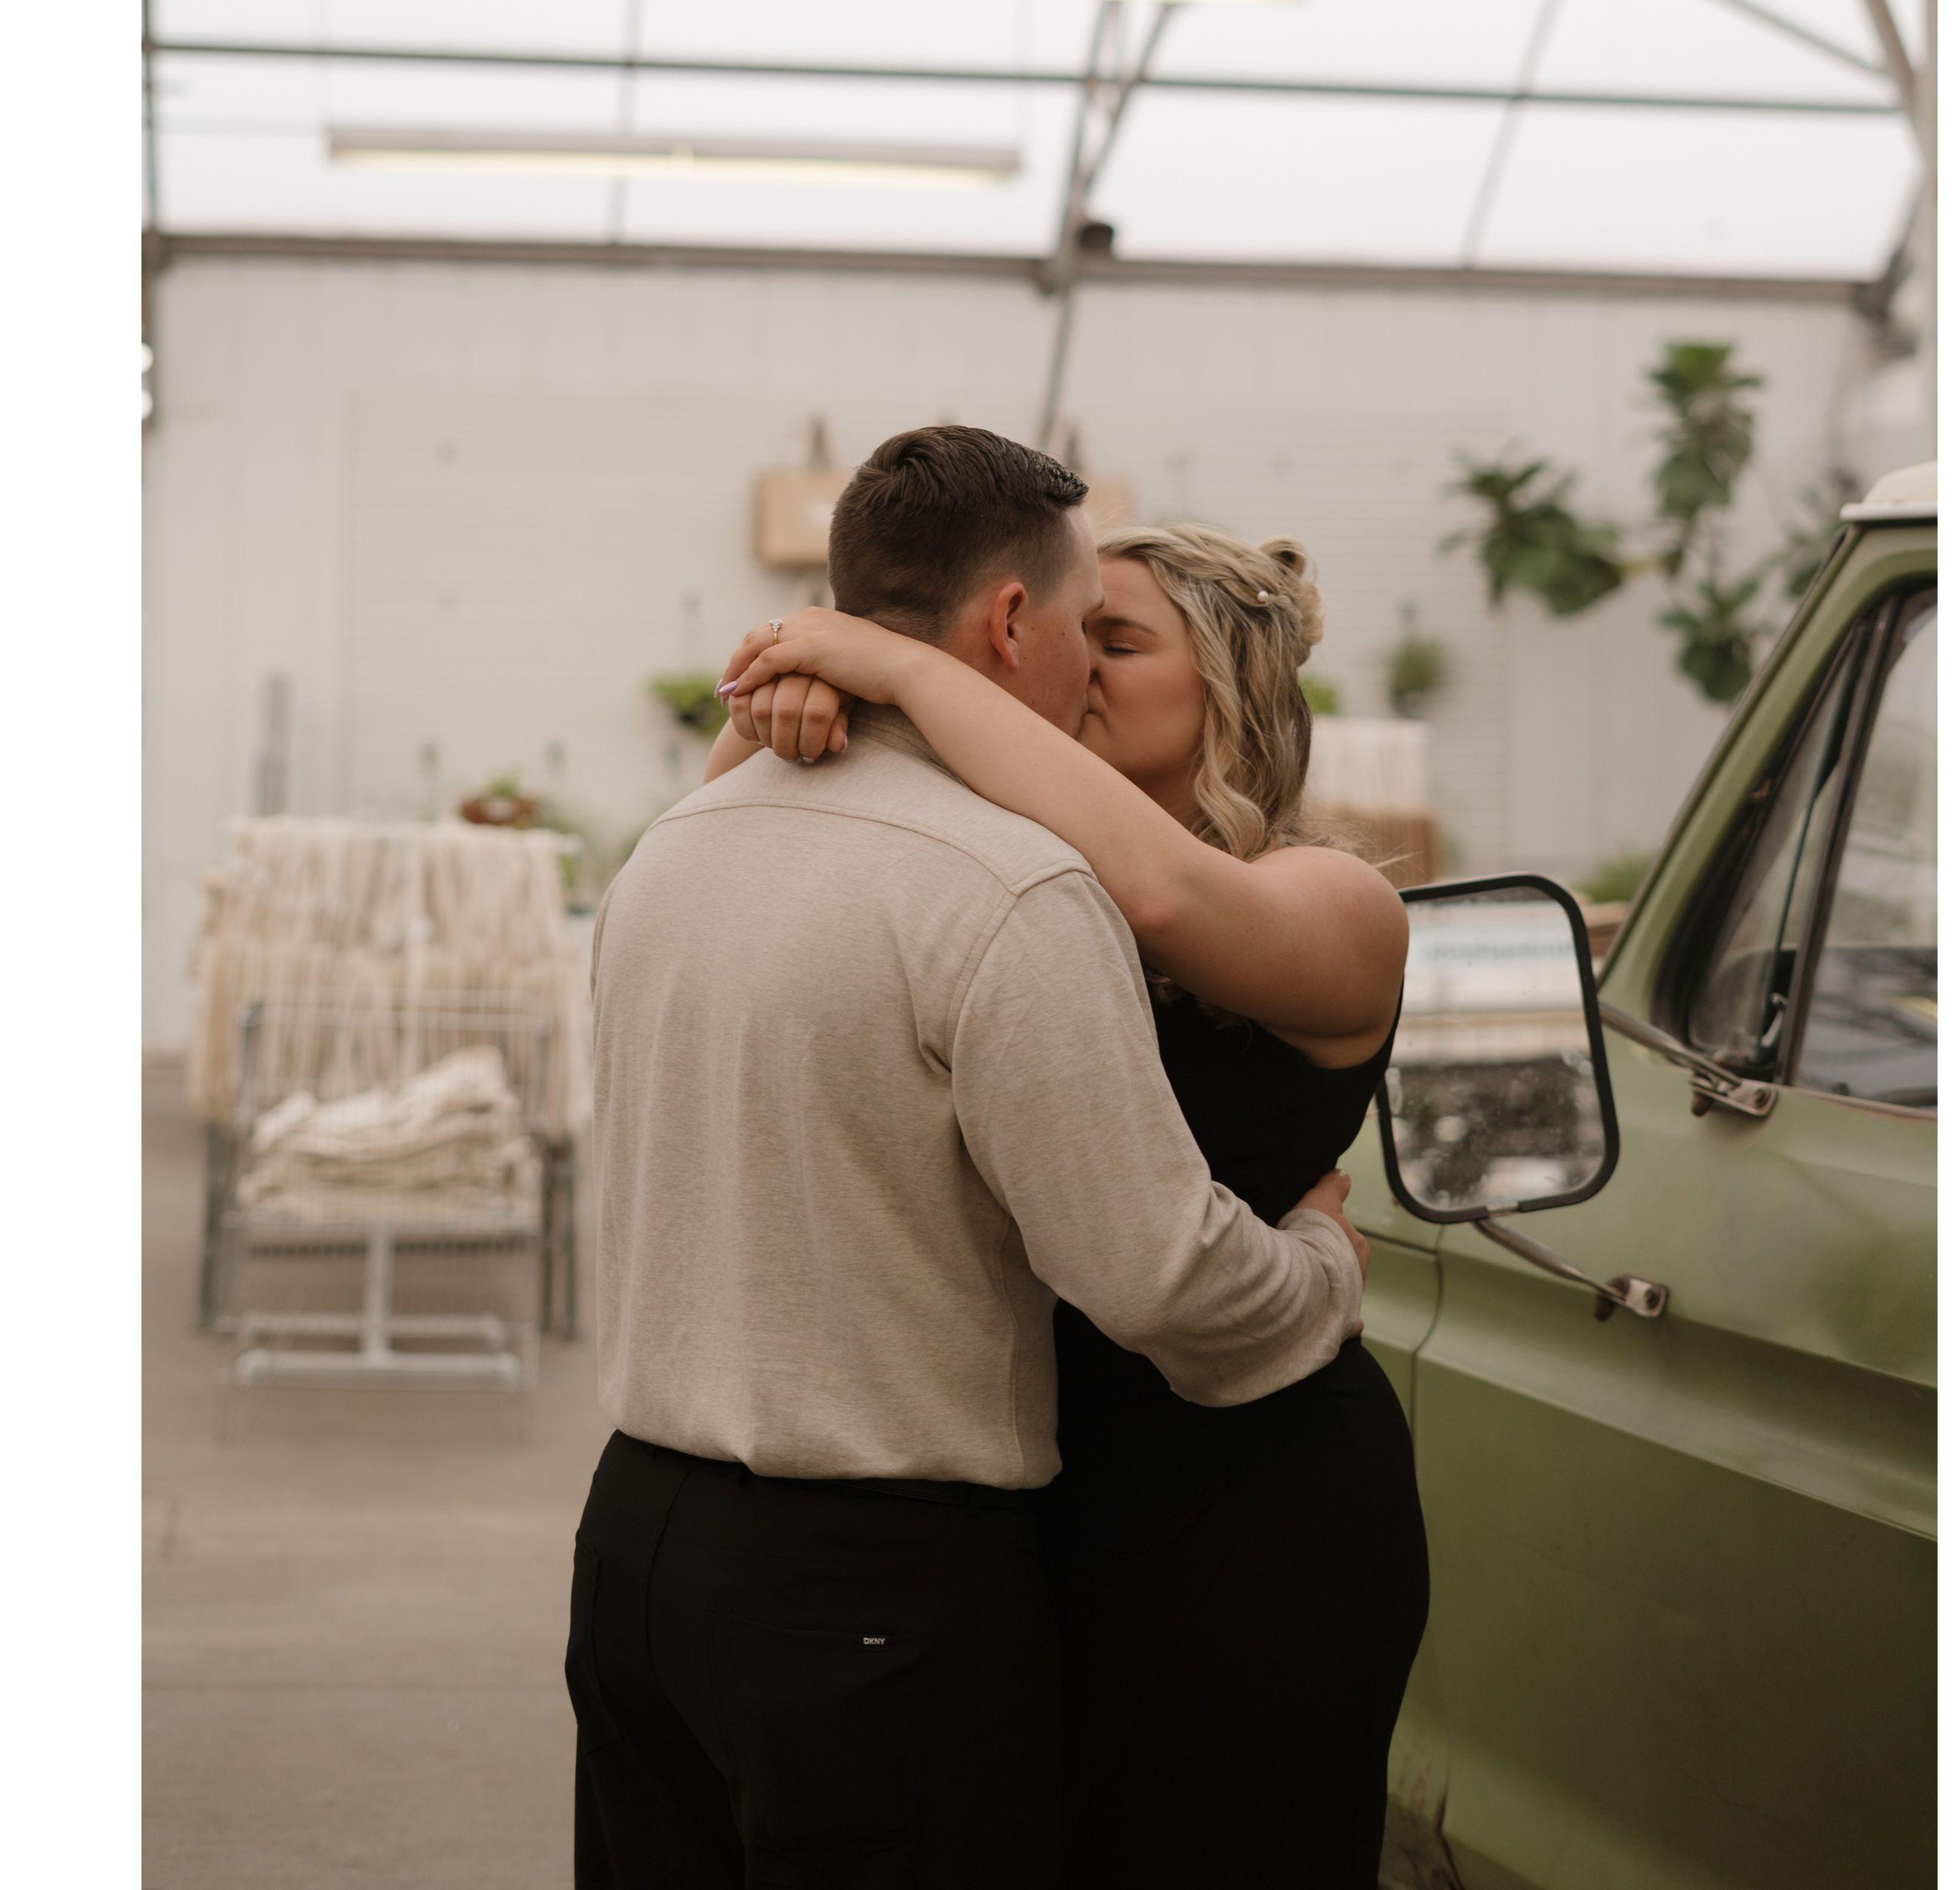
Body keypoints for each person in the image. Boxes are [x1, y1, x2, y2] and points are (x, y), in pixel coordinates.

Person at [568, 427, 1368, 1890]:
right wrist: (1324, 1264)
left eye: (1124, 638)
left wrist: (884, 667)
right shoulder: (1006, 886)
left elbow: (1161, 891)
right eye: (1084, 628)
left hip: (1195, 1506)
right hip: (925, 1545)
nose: (1088, 669)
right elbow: (1160, 1272)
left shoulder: (680, 853)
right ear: (1013, 623)